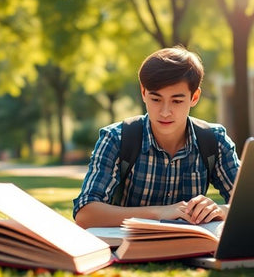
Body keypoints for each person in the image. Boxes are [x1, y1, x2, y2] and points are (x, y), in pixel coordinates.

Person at [73, 46, 240, 228]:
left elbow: (247, 202)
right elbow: (85, 213)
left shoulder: (214, 141)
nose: (165, 112)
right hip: (129, 249)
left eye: (176, 101)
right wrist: (160, 212)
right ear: (143, 92)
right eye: (156, 99)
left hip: (192, 249)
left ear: (194, 97)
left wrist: (221, 210)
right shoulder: (116, 139)